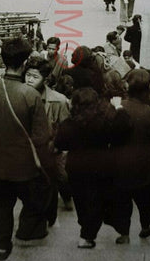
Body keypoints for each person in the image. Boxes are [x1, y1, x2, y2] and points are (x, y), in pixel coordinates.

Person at [0, 37, 52, 261]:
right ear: (25, 63)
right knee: (37, 200)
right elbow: (42, 137)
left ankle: (2, 246)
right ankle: (27, 233)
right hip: (25, 167)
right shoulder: (31, 95)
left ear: (3, 60)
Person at [55, 87, 131, 248]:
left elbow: (60, 144)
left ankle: (86, 235)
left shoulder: (69, 124)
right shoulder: (105, 121)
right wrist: (118, 107)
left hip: (77, 167)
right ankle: (122, 231)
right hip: (103, 165)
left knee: (83, 202)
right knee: (106, 199)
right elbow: (124, 130)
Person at [112, 69, 150, 242]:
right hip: (144, 162)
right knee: (146, 201)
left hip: (119, 161)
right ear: (148, 88)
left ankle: (124, 234)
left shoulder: (117, 107)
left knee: (122, 200)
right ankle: (145, 227)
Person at [24, 59, 72, 219]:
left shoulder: (59, 100)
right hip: (31, 147)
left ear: (44, 79)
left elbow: (65, 127)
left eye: (34, 76)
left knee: (61, 177)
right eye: (28, 75)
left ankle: (66, 195)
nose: (29, 80)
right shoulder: (21, 97)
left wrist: (58, 145)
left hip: (54, 148)